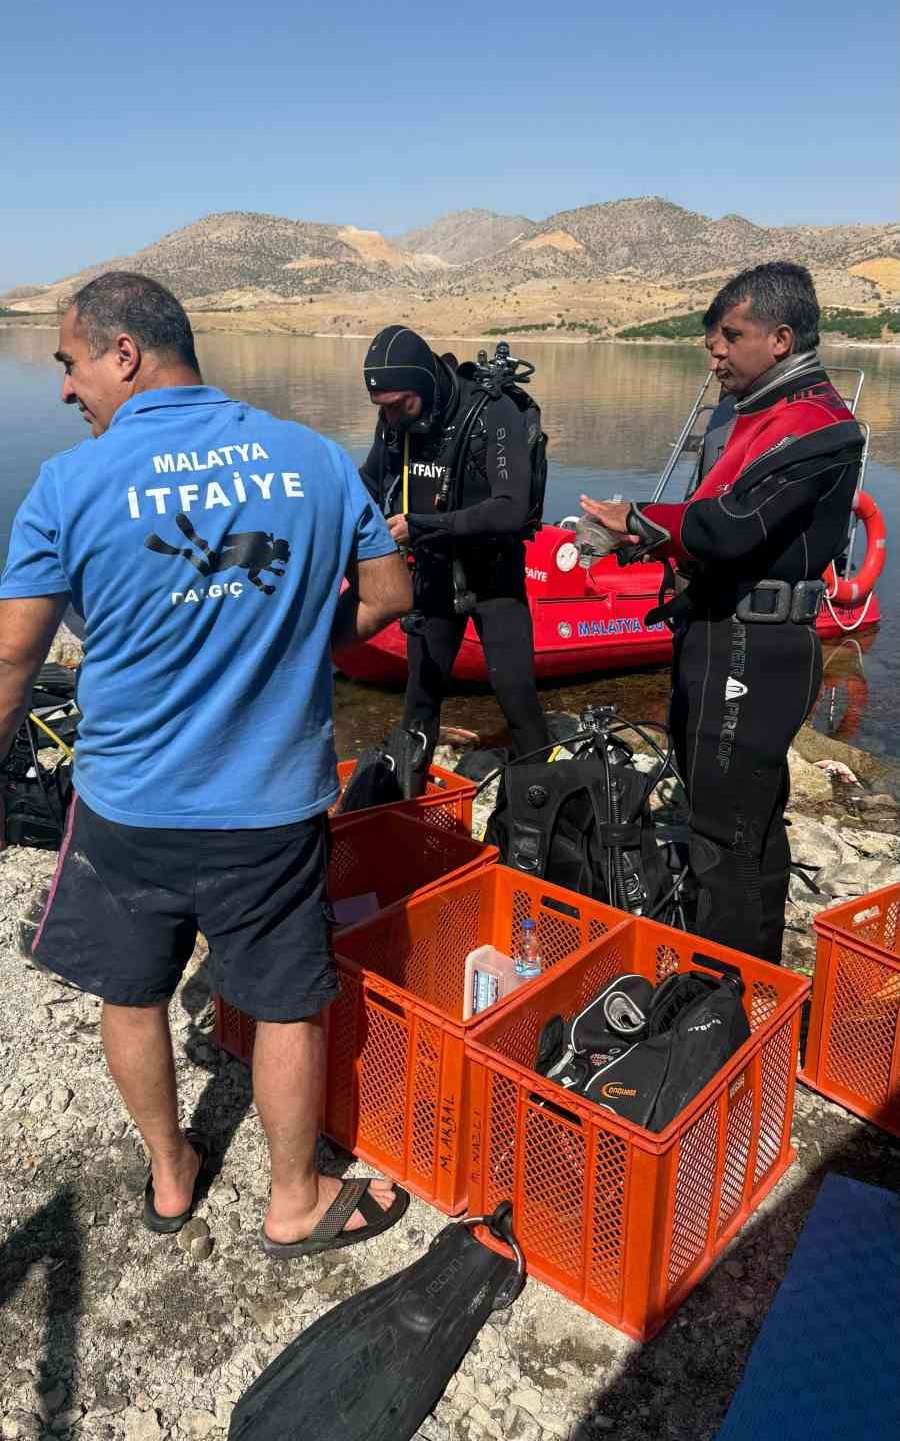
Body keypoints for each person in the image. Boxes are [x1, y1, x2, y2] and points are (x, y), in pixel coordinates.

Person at [0, 272, 413, 1255]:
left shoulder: (68, 484)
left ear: (124, 354)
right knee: (281, 1003)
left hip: (125, 807)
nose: (66, 390)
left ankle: (173, 1172)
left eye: (69, 364)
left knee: (133, 994)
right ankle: (294, 1199)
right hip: (267, 811)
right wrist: (292, 638)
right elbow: (389, 594)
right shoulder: (312, 458)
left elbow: (15, 660)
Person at [580, 262, 863, 964]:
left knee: (724, 835)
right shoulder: (748, 412)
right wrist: (647, 540)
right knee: (745, 824)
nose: (715, 352)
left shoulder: (820, 425)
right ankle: (755, 981)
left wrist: (639, 522)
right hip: (722, 634)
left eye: (730, 336)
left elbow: (731, 524)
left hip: (756, 648)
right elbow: (712, 523)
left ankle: (720, 996)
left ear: (781, 338)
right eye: (712, 338)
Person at [359, 324, 549, 763]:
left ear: (423, 384)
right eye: (382, 409)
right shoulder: (397, 423)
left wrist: (420, 526)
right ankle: (409, 810)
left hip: (493, 575)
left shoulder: (492, 412)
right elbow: (369, 481)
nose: (390, 418)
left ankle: (540, 814)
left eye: (398, 406)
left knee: (516, 698)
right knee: (419, 701)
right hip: (433, 573)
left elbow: (510, 508)